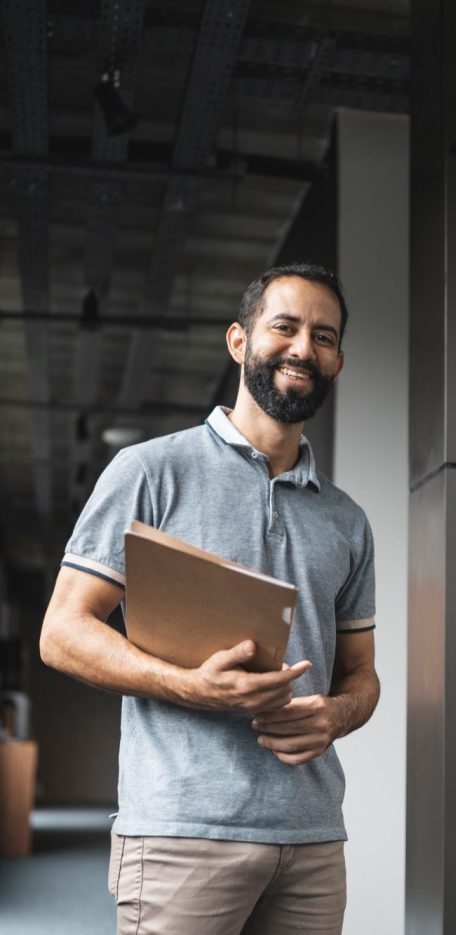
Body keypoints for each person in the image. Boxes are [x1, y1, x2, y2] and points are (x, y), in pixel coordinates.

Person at [40, 263, 380, 935]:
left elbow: (362, 675)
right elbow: (62, 630)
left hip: (311, 842)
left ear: (337, 358)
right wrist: (188, 686)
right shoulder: (151, 471)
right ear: (239, 340)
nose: (303, 348)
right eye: (284, 326)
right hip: (179, 834)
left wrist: (338, 714)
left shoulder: (348, 520)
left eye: (324, 335)